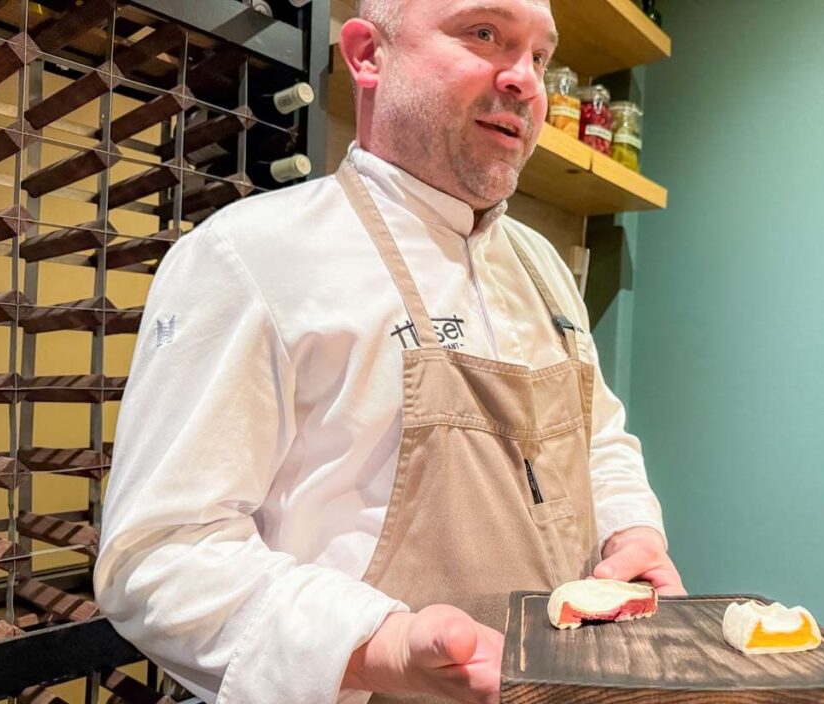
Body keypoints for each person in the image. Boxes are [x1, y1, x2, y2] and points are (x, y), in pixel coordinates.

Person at [93, 1, 685, 702]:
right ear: (368, 55)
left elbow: (596, 440)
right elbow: (157, 557)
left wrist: (632, 534)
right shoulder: (249, 257)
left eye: (539, 56)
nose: (525, 80)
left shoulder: (542, 266)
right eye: (485, 34)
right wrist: (376, 644)